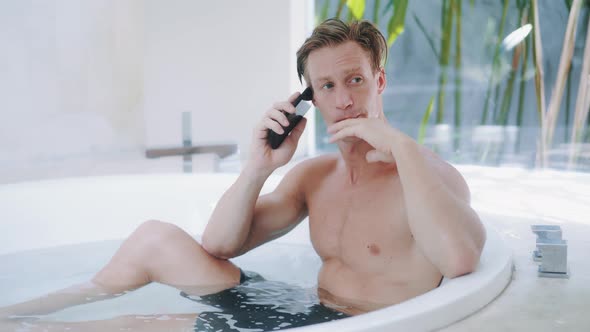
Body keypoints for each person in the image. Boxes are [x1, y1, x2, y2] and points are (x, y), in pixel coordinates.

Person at [0, 18, 485, 331]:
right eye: (327, 86)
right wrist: (259, 167)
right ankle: (21, 314)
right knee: (153, 240)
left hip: (363, 327)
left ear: (378, 81)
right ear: (310, 100)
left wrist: (400, 147)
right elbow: (219, 244)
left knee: (136, 325)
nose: (343, 100)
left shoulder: (428, 174)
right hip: (296, 315)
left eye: (355, 80)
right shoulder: (314, 177)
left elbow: (461, 258)